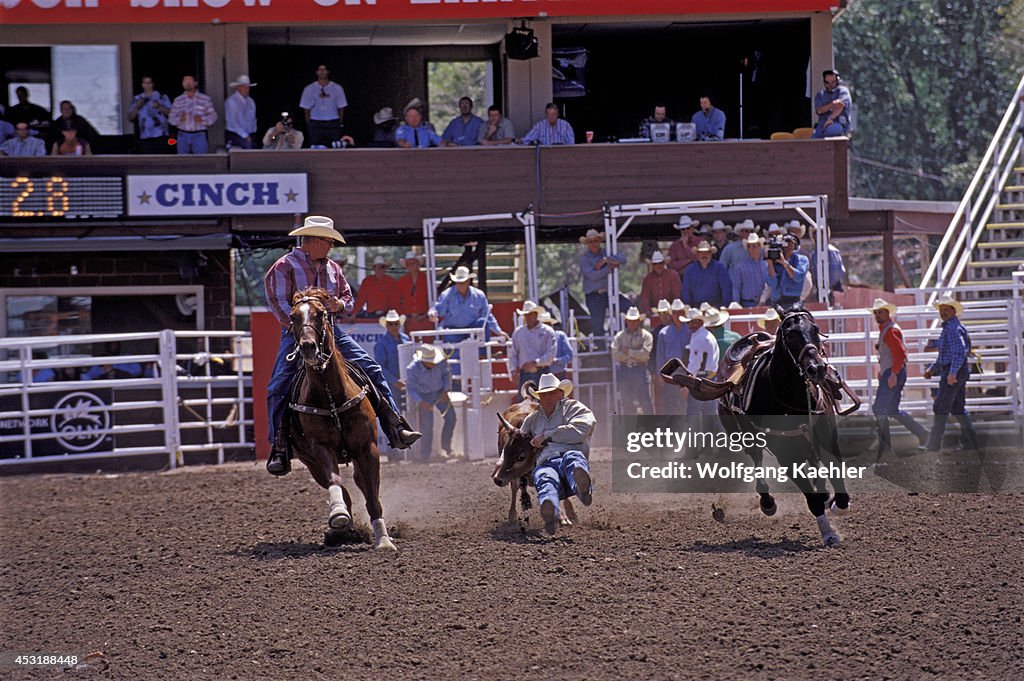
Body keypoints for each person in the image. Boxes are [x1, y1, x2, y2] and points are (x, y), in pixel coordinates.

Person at [263, 215, 420, 476]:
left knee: (371, 368)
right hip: (296, 333)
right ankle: (279, 445)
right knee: (278, 385)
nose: (332, 247)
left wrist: (341, 305)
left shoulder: (332, 268)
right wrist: (300, 331)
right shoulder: (283, 267)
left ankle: (395, 424)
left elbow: (346, 295)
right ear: (313, 240)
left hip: (332, 333)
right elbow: (277, 302)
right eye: (328, 241)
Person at [520, 373, 596, 535]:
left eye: (552, 393)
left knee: (573, 460)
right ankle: (551, 510)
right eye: (544, 394)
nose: (548, 397)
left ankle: (582, 489)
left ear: (561, 394)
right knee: (543, 476)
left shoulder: (574, 408)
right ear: (539, 397)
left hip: (570, 454)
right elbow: (519, 443)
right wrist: (503, 459)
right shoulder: (531, 420)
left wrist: (547, 435)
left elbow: (581, 430)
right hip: (547, 462)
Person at [868, 299, 929, 458]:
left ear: (887, 313)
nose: (877, 315)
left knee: (879, 408)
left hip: (893, 372)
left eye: (880, 312)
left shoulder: (889, 331)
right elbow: (897, 354)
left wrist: (893, 373)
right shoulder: (888, 330)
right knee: (891, 410)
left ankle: (885, 445)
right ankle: (922, 433)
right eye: (876, 312)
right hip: (893, 372)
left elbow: (900, 354)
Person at [920, 294, 978, 452]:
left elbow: (958, 353)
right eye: (942, 310)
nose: (943, 312)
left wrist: (952, 373)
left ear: (953, 311)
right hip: (958, 370)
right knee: (958, 408)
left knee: (941, 406)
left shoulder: (951, 328)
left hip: (953, 371)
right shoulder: (952, 327)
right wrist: (933, 369)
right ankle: (971, 442)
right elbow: (948, 353)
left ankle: (934, 444)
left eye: (946, 310)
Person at [405, 344, 457, 463]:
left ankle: (446, 447)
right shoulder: (412, 369)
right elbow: (411, 388)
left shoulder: (441, 362)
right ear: (423, 361)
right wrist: (420, 402)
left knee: (451, 418)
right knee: (427, 426)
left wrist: (446, 390)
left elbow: (446, 375)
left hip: (439, 392)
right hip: (424, 396)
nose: (434, 363)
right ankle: (425, 455)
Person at [429, 266, 506, 342]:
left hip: (473, 329)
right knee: (453, 346)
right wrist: (432, 314)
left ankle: (482, 353)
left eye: (462, 282)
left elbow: (487, 315)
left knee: (483, 322)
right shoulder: (447, 295)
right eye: (458, 282)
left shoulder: (479, 295)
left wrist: (499, 331)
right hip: (452, 330)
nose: (460, 285)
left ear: (468, 281)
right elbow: (437, 309)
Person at [578, 229, 626, 349]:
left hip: (610, 293)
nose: (594, 244)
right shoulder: (584, 259)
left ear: (600, 241)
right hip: (594, 295)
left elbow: (623, 259)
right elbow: (593, 276)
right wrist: (610, 267)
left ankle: (620, 340)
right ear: (587, 244)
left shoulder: (607, 252)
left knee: (630, 309)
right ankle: (602, 352)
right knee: (597, 325)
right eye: (591, 242)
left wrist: (605, 260)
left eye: (596, 241)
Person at [613, 307, 654, 415]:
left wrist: (627, 351)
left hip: (639, 369)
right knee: (627, 402)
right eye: (630, 320)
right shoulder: (619, 336)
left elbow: (645, 355)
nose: (632, 323)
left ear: (638, 321)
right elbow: (615, 355)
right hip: (625, 370)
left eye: (634, 320)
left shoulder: (646, 336)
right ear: (626, 321)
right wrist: (636, 353)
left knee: (645, 401)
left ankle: (652, 428)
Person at [681, 307, 720, 422]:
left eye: (693, 322)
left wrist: (688, 381)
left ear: (700, 322)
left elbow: (695, 363)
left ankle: (691, 438)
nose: (690, 325)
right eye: (689, 322)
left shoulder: (699, 338)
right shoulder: (707, 335)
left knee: (692, 414)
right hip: (710, 378)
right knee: (711, 415)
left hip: (700, 379)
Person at [508, 301, 558, 389]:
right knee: (525, 400)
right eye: (526, 315)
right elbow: (513, 354)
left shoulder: (548, 331)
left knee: (544, 400)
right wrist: (513, 371)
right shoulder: (518, 332)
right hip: (525, 373)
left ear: (536, 314)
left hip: (543, 372)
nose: (528, 317)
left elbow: (551, 354)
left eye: (530, 314)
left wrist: (535, 362)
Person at [654, 299, 690, 414]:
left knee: (686, 404)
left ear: (684, 313)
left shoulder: (690, 331)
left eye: (680, 312)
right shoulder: (663, 332)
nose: (677, 315)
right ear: (672, 314)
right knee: (670, 403)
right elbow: (660, 355)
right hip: (670, 372)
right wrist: (660, 374)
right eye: (675, 312)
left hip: (686, 372)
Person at [299, 64, 347, 148]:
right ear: (316, 72)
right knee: (315, 147)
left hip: (333, 122)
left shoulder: (337, 88)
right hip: (316, 122)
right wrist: (309, 123)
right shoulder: (309, 89)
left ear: (328, 72)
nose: (322, 72)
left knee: (335, 147)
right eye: (320, 70)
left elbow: (341, 107)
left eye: (324, 70)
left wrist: (340, 122)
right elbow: (306, 109)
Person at [169, 75, 217, 154]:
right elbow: (171, 119)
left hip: (199, 135)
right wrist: (179, 119)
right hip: (182, 135)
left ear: (195, 83)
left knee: (201, 162)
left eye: (190, 81)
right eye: (185, 81)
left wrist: (203, 120)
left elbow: (213, 116)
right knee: (183, 163)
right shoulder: (178, 100)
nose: (188, 83)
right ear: (182, 84)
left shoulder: (205, 99)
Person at [637, 251, 681, 332]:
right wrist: (648, 312)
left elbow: (677, 295)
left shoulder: (673, 275)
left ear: (664, 263)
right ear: (652, 265)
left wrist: (673, 310)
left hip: (671, 312)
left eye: (660, 263)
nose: (658, 266)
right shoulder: (648, 279)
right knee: (648, 326)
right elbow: (645, 298)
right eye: (655, 264)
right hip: (655, 313)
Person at [681, 241, 734, 309]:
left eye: (707, 252)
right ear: (697, 254)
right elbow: (686, 291)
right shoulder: (689, 270)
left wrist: (725, 306)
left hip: (716, 307)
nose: (704, 255)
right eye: (701, 253)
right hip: (696, 308)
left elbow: (726, 289)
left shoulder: (719, 268)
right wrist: (688, 306)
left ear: (711, 254)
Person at [129, 76, 172, 154]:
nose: (147, 85)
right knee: (146, 162)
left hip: (161, 135)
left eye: (149, 83)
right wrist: (136, 107)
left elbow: (171, 114)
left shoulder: (162, 96)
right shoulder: (137, 98)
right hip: (145, 137)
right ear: (142, 84)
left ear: (152, 84)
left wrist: (159, 106)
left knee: (161, 161)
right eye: (145, 83)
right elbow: (131, 118)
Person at [349, 256, 397, 320]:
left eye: (382, 267)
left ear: (385, 268)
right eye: (376, 267)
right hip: (371, 316)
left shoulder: (392, 282)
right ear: (373, 268)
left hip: (388, 316)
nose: (379, 269)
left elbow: (396, 301)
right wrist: (354, 314)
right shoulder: (367, 281)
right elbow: (361, 300)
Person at [767, 234, 809, 307]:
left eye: (791, 242)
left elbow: (798, 277)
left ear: (796, 245)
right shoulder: (775, 261)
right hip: (776, 302)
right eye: (785, 242)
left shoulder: (802, 259)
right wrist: (770, 262)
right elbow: (772, 283)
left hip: (793, 302)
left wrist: (784, 263)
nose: (788, 245)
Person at [395, 250, 431, 334]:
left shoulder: (426, 279)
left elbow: (432, 297)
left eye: (413, 263)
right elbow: (397, 300)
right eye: (409, 264)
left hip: (424, 319)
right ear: (406, 266)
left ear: (418, 264)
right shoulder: (402, 281)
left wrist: (426, 314)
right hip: (408, 320)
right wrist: (403, 315)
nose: (411, 265)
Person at [731, 233, 769, 308]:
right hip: (746, 304)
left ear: (760, 247)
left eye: (755, 245)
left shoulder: (767, 265)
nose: (753, 248)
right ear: (747, 248)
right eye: (750, 246)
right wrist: (737, 306)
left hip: (765, 304)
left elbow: (770, 285)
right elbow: (736, 288)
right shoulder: (740, 266)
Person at [812, 69, 852, 138]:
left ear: (838, 81)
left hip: (838, 124)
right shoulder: (820, 95)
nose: (830, 85)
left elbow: (840, 106)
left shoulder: (842, 91)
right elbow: (819, 110)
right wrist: (833, 104)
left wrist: (830, 118)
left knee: (831, 130)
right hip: (822, 126)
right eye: (827, 82)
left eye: (833, 82)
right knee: (813, 140)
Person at [225, 75, 257, 150]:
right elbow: (233, 122)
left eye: (247, 87)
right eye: (244, 87)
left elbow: (253, 119)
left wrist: (253, 134)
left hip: (249, 133)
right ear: (238, 87)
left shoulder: (251, 101)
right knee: (248, 147)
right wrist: (245, 135)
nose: (247, 89)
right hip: (235, 133)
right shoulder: (232, 101)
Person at [539, 310, 574, 379]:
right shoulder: (537, 339)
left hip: (559, 374)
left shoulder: (560, 336)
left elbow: (570, 355)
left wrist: (556, 361)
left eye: (548, 324)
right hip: (543, 375)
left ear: (551, 325)